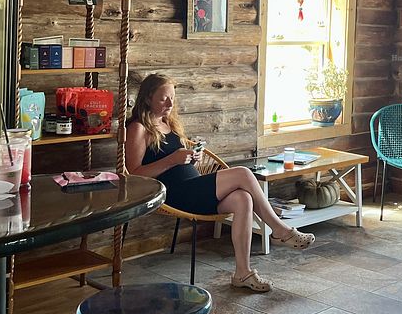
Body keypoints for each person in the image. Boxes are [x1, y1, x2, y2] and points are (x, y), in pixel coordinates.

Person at [126, 73, 314, 292]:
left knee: (243, 198)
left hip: (195, 188)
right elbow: (135, 173)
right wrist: (173, 159)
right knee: (243, 173)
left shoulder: (168, 123)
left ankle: (243, 273)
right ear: (147, 98)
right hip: (175, 195)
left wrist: (191, 158)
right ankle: (280, 230)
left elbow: (178, 163)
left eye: (172, 98)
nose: (170, 104)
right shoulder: (138, 128)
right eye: (163, 99)